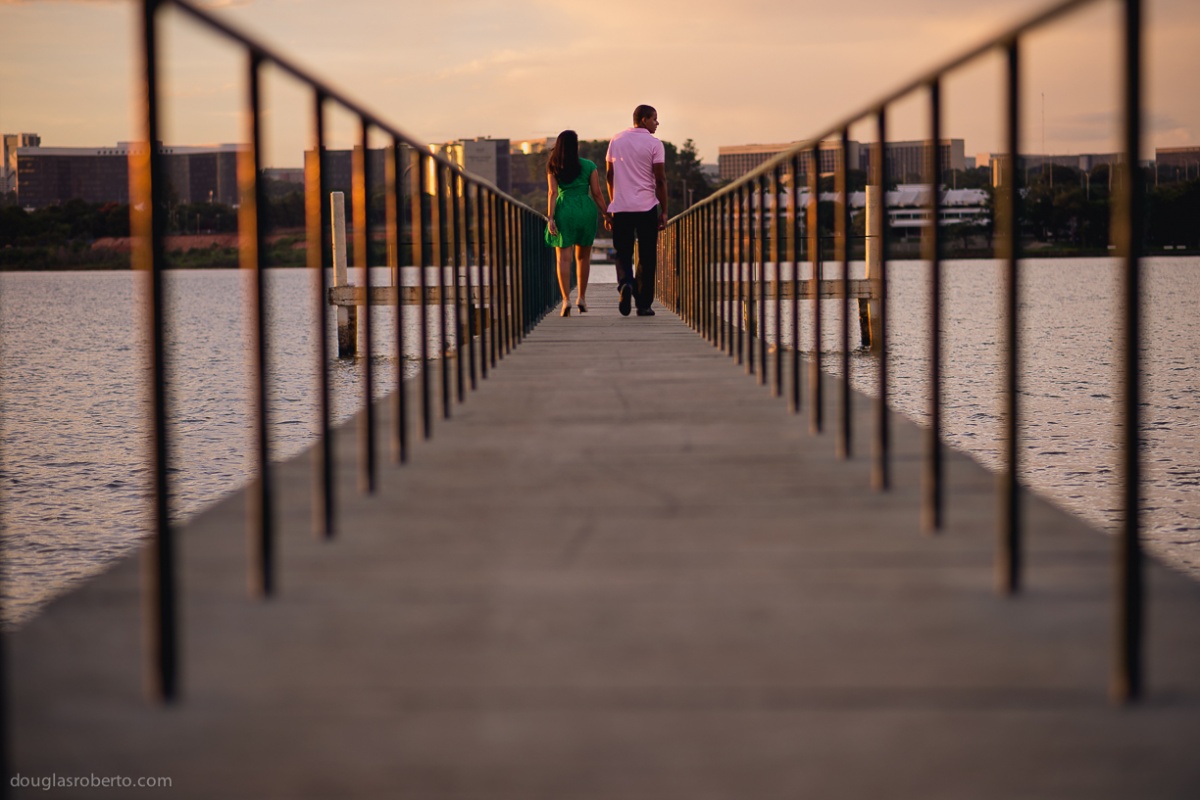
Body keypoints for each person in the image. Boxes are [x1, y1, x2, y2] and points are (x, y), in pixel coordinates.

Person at [606, 104, 667, 317]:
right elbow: (660, 179)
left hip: (621, 208)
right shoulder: (655, 144)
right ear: (643, 120)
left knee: (623, 251)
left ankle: (625, 283)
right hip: (647, 206)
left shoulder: (616, 139)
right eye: (654, 119)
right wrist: (665, 210)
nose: (657, 123)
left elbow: (609, 175)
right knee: (647, 255)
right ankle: (643, 304)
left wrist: (612, 203)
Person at [545, 130, 611, 317]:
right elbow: (597, 193)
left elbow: (552, 193)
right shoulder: (589, 165)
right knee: (583, 258)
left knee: (563, 258)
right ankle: (581, 297)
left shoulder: (553, 166)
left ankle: (566, 299)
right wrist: (607, 215)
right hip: (585, 210)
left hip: (564, 210)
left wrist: (551, 217)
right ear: (576, 146)